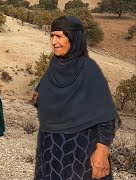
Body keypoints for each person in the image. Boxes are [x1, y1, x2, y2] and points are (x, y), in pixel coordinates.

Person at [31, 16, 120, 180]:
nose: (54, 41)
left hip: (81, 150)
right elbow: (40, 98)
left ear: (74, 38)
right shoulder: (53, 68)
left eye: (60, 36)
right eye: (52, 36)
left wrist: (102, 151)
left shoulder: (88, 69)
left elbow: (106, 116)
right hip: (49, 149)